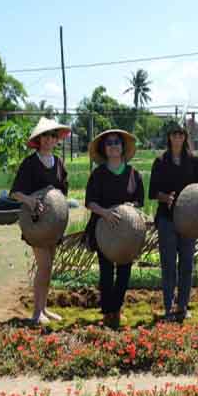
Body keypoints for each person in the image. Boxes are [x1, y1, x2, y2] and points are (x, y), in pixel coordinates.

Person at [10, 117, 70, 326]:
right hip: (34, 223)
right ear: (39, 140)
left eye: (51, 136)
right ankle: (36, 313)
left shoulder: (59, 163)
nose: (48, 140)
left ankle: (43, 308)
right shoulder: (30, 163)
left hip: (53, 224)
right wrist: (31, 201)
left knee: (49, 267)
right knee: (43, 266)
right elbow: (15, 193)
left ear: (56, 140)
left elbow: (62, 192)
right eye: (44, 136)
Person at [84, 129, 144, 329]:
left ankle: (116, 309)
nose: (113, 146)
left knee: (125, 271)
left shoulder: (133, 174)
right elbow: (90, 202)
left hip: (128, 233)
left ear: (122, 147)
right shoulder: (98, 174)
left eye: (116, 142)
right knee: (106, 273)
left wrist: (130, 209)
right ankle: (108, 312)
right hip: (104, 230)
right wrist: (106, 213)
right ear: (104, 149)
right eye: (108, 143)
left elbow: (138, 201)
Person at [149, 121, 198, 321]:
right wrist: (165, 198)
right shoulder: (160, 161)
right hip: (167, 219)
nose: (178, 137)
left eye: (181, 134)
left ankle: (183, 307)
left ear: (185, 137)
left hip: (189, 221)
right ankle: (167, 307)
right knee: (168, 264)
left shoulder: (193, 161)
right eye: (174, 134)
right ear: (169, 137)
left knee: (187, 264)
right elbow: (152, 192)